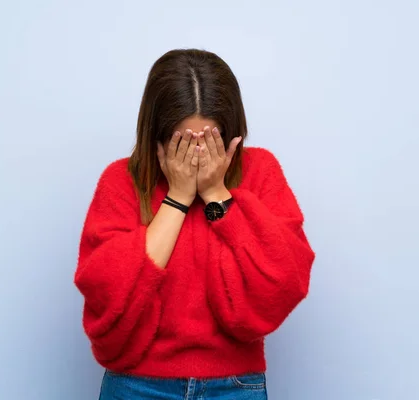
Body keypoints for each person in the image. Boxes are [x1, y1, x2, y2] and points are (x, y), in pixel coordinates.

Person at [74, 49, 315, 400]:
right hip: (136, 385)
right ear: (157, 137)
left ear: (232, 135)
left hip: (235, 386)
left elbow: (281, 284)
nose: (197, 157)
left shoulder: (260, 172)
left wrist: (216, 193)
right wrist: (178, 198)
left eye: (210, 142)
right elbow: (109, 296)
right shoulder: (121, 181)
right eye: (183, 144)